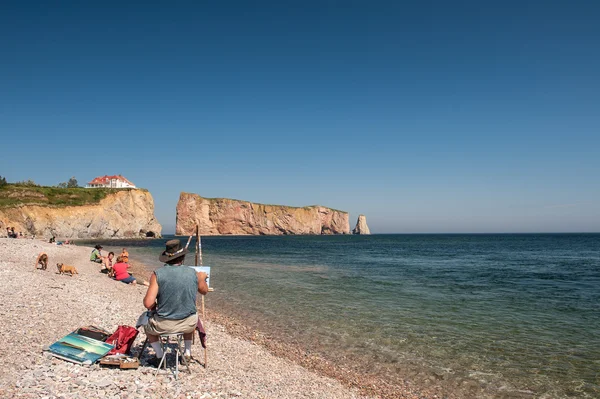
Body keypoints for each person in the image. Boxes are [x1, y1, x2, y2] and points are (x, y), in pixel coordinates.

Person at [143, 239, 208, 366]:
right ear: (182, 257)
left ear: (166, 257)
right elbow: (204, 291)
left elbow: (148, 303)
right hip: (188, 324)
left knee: (147, 326)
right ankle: (187, 353)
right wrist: (202, 279)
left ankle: (160, 355)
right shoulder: (193, 273)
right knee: (190, 314)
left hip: (163, 325)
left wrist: (156, 305)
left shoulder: (158, 274)